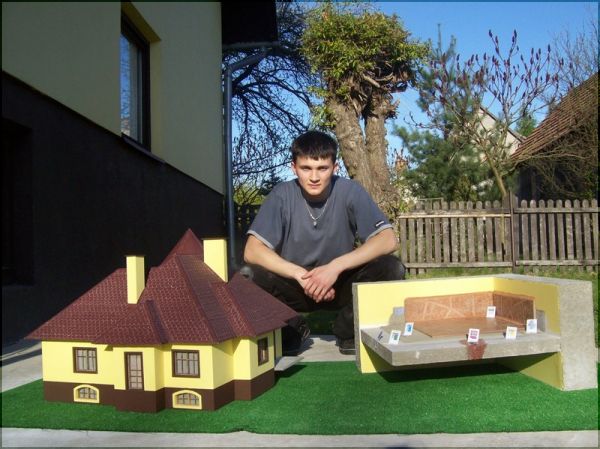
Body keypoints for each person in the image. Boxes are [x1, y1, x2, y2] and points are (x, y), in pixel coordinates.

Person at [242, 130, 405, 355]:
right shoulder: (281, 194)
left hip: (339, 283)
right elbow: (252, 251)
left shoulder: (350, 190)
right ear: (293, 167)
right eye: (306, 168)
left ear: (334, 168)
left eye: (322, 168)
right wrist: (301, 276)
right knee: (247, 275)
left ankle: (347, 329)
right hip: (296, 284)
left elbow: (388, 240)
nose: (314, 177)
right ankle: (291, 329)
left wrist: (334, 268)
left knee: (391, 267)